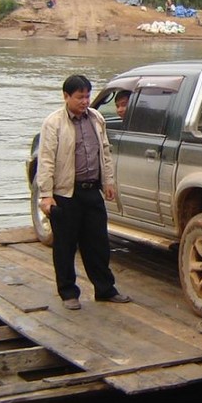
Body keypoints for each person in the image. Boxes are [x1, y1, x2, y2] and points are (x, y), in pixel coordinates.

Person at [37, 74, 131, 310]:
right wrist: (45, 195)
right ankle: (68, 292)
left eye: (87, 96)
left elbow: (105, 153)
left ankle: (105, 289)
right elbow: (46, 160)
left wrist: (108, 182)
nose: (85, 101)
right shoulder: (54, 123)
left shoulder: (96, 118)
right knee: (65, 246)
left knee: (98, 243)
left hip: (92, 191)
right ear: (66, 96)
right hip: (66, 194)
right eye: (79, 97)